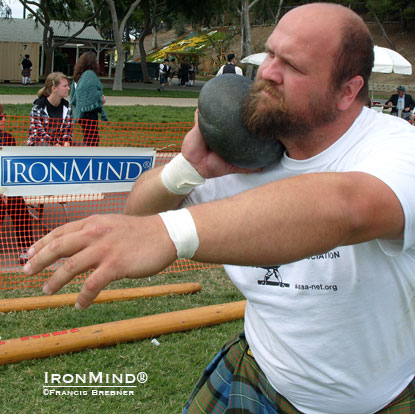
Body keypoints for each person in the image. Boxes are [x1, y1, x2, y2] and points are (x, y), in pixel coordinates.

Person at [23, 3, 415, 413]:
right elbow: (137, 220)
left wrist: (172, 234)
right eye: (270, 54)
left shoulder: (395, 149)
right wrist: (185, 170)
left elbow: (347, 207)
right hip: (263, 374)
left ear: (347, 91)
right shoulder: (244, 146)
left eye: (293, 67)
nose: (267, 73)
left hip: (380, 400)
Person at [0, 104, 35, 264]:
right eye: (1, 117)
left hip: (7, 186)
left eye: (5, 116)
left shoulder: (8, 138)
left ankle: (26, 248)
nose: (4, 119)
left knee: (19, 208)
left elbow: (11, 167)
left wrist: (7, 189)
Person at [70, 51, 107, 146]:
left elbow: (75, 95)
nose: (98, 63)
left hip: (82, 113)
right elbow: (91, 94)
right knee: (92, 140)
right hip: (89, 113)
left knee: (88, 137)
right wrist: (100, 100)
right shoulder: (89, 75)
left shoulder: (78, 76)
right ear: (92, 62)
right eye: (96, 61)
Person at [26, 72, 73, 147]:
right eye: (65, 86)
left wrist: (66, 141)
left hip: (59, 144)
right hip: (39, 145)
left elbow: (68, 129)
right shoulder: (38, 107)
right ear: (54, 88)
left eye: (68, 85)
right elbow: (39, 133)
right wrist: (54, 144)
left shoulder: (67, 107)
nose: (68, 88)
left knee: (81, 146)